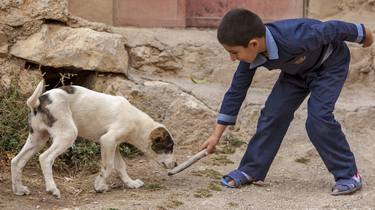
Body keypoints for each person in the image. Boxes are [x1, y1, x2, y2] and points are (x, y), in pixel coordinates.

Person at [200, 8, 373, 195]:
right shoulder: (251, 56)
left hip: (329, 66)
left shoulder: (296, 36)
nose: (232, 58)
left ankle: (348, 174)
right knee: (273, 114)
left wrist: (362, 33)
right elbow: (236, 91)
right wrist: (215, 136)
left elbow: (331, 28)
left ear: (253, 44)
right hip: (296, 73)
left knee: (318, 119)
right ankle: (251, 169)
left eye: (234, 52)